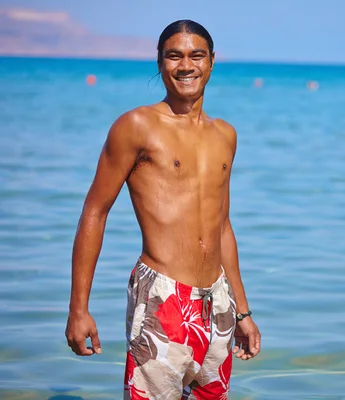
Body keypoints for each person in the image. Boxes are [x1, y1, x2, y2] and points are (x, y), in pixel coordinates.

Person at [64, 20, 261, 399]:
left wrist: (242, 311)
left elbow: (222, 227)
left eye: (196, 55)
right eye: (174, 56)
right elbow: (95, 211)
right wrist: (79, 308)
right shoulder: (135, 126)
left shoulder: (226, 135)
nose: (186, 65)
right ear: (160, 62)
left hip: (218, 301)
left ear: (212, 62)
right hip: (163, 296)